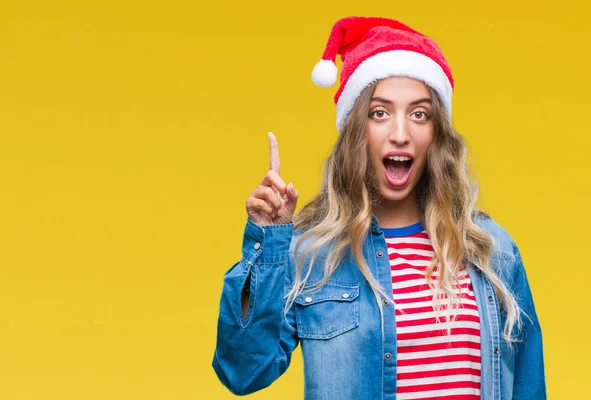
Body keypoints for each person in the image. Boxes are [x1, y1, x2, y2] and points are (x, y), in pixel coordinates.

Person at [212, 16, 546, 400]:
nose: (400, 134)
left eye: (419, 114)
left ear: (436, 134)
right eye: (379, 113)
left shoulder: (493, 251)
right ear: (357, 131)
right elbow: (243, 371)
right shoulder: (312, 255)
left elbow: (528, 387)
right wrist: (268, 244)